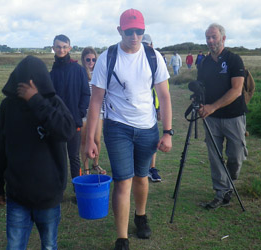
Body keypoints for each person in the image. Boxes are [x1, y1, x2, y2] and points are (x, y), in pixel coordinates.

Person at [85, 9, 173, 250]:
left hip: (147, 128)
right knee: (123, 181)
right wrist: (91, 139)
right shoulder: (107, 57)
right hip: (118, 129)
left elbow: (164, 96)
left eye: (139, 31)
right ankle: (122, 238)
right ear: (119, 31)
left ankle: (141, 216)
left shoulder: (153, 57)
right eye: (129, 31)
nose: (134, 36)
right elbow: (96, 101)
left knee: (141, 177)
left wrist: (168, 131)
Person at [0, 55, 76, 249]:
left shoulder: (53, 104)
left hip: (49, 195)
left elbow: (67, 131)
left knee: (48, 245)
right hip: (17, 195)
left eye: (34, 80)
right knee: (14, 246)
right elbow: (0, 149)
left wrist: (36, 100)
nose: (29, 84)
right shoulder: (7, 108)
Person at [197, 23, 248, 209]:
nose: (211, 41)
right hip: (211, 119)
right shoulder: (204, 63)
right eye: (208, 38)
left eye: (214, 37)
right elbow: (200, 87)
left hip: (234, 116)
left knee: (236, 156)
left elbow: (237, 90)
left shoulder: (234, 59)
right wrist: (200, 103)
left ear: (223, 38)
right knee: (215, 156)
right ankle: (221, 193)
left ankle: (229, 180)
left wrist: (213, 106)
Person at [50, 35, 90, 195]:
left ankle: (77, 191)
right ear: (53, 47)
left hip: (74, 122)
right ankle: (57, 192)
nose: (61, 50)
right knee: (58, 158)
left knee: (74, 158)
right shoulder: (51, 74)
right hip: (56, 123)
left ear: (70, 48)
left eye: (64, 46)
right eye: (58, 47)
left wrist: (79, 113)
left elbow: (86, 94)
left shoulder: (79, 70)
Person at [142, 33, 168, 182]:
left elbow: (163, 91)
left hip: (153, 108)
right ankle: (140, 169)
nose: (146, 47)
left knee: (152, 140)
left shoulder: (155, 59)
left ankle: (151, 168)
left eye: (148, 44)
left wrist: (159, 109)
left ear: (151, 45)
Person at [80, 47, 106, 175]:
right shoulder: (80, 73)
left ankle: (95, 164)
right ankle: (86, 168)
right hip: (84, 111)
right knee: (84, 140)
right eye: (88, 59)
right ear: (83, 60)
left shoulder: (100, 72)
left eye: (94, 59)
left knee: (96, 139)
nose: (91, 62)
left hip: (98, 111)